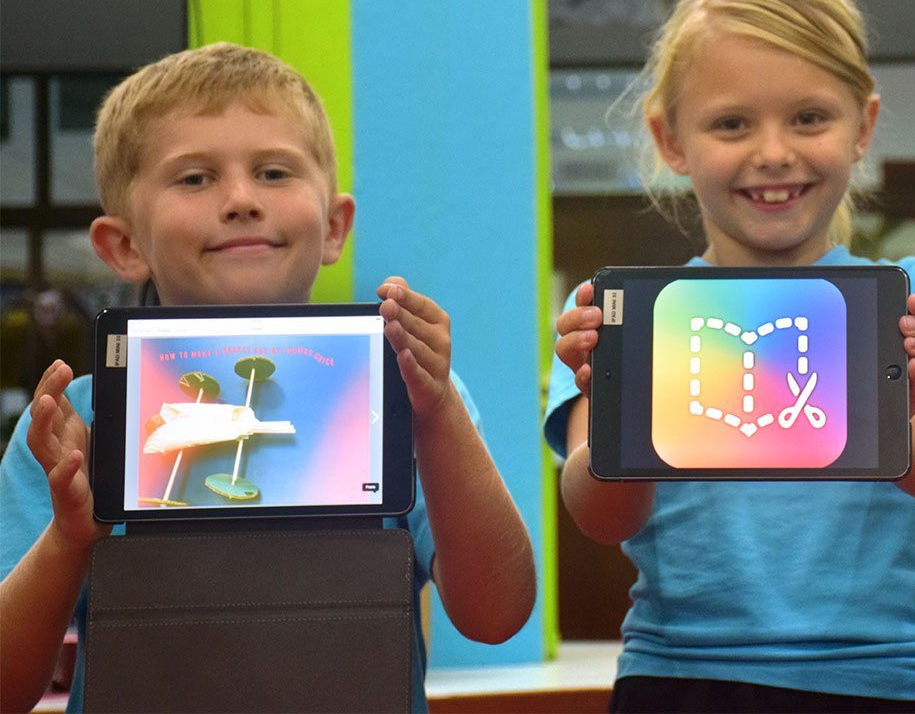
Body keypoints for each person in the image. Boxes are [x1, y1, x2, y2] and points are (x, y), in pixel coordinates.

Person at [0, 42, 537, 713]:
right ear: (124, 246)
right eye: (194, 179)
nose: (241, 200)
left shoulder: (407, 393)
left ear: (335, 225)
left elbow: (497, 616)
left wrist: (440, 419)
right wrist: (71, 537)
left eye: (275, 172)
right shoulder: (75, 426)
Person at [548, 0, 915, 712]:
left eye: (809, 117)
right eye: (731, 123)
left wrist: (898, 405)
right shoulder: (628, 314)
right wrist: (628, 412)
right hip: (679, 678)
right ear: (671, 141)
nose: (773, 153)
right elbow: (599, 514)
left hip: (881, 680)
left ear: (864, 126)